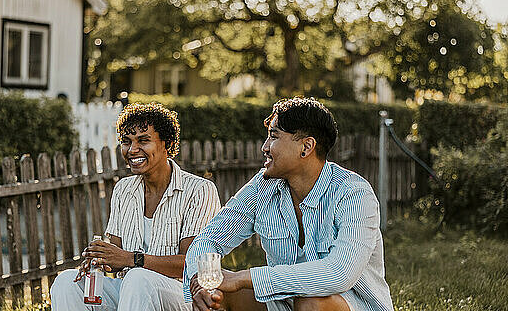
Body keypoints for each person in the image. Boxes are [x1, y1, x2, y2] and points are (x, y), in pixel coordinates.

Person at [184, 97, 393, 311]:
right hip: (285, 302)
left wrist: (242, 277)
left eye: (274, 137)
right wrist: (200, 280)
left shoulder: (354, 194)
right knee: (216, 297)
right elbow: (209, 239)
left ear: (306, 147)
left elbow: (339, 274)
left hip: (350, 305)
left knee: (310, 304)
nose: (265, 147)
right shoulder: (263, 187)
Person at [51, 103, 221, 311]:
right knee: (66, 283)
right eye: (126, 141)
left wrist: (132, 259)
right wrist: (101, 258)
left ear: (166, 144)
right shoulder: (123, 190)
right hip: (130, 289)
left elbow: (190, 264)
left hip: (180, 295)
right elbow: (118, 258)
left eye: (143, 141)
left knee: (139, 278)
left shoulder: (199, 190)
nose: (132, 150)